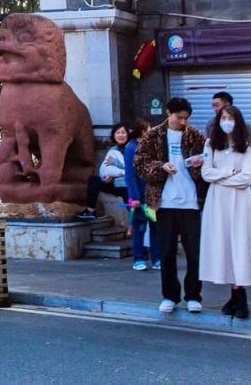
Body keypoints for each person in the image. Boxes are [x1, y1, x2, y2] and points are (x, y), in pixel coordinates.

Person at [135, 97, 207, 314]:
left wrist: (199, 164)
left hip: (191, 201)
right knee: (166, 251)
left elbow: (210, 159)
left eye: (186, 118)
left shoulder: (196, 136)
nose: (183, 122)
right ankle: (169, 296)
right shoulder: (153, 135)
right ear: (168, 113)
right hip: (164, 201)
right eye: (179, 117)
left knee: (194, 252)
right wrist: (161, 167)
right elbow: (140, 163)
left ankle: (193, 295)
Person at [200, 105, 251, 318]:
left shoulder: (249, 147)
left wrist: (220, 178)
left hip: (240, 201)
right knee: (224, 245)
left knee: (239, 244)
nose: (227, 121)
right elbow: (206, 173)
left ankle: (240, 295)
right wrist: (229, 172)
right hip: (217, 201)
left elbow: (246, 178)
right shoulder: (211, 144)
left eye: (230, 118)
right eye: (223, 117)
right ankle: (235, 294)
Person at [123, 118, 159, 270]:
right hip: (139, 195)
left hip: (152, 194)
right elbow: (130, 175)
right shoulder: (131, 148)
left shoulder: (151, 146)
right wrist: (135, 197)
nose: (151, 131)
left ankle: (157, 259)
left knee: (155, 226)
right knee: (139, 227)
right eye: (148, 128)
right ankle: (138, 259)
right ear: (142, 131)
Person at [79, 124, 129, 220]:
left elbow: (131, 168)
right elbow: (105, 167)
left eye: (123, 132)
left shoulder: (131, 148)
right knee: (94, 180)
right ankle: (91, 210)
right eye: (118, 133)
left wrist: (115, 163)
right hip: (115, 183)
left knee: (133, 209)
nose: (120, 135)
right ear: (114, 135)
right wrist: (107, 176)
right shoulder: (113, 150)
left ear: (128, 134)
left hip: (127, 185)